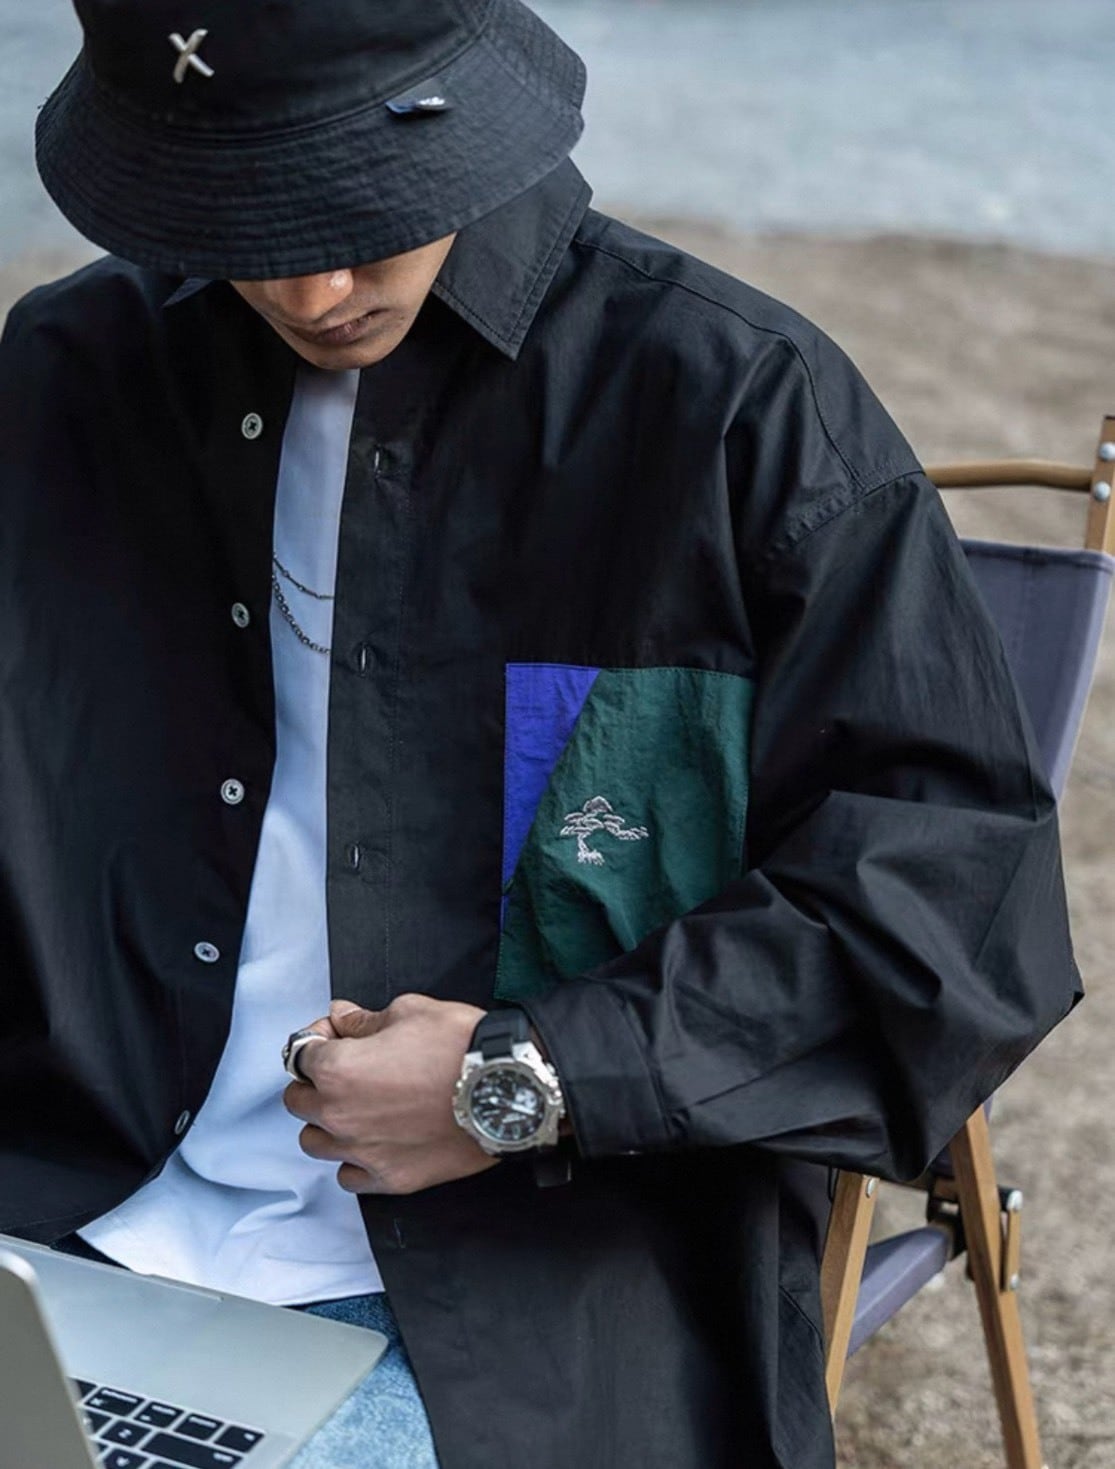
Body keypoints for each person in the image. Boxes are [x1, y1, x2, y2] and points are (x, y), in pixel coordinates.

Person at [0, 2, 1081, 1466]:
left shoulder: (732, 409)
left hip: (517, 1289)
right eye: (249, 216)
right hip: (62, 1201)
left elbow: (954, 919)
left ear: (459, 112)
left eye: (352, 206)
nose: (313, 286)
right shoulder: (67, 376)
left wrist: (529, 1079)